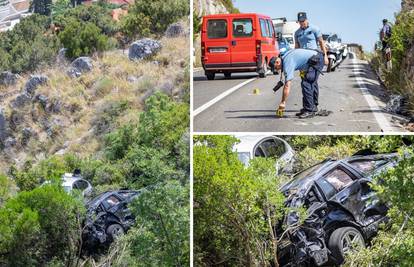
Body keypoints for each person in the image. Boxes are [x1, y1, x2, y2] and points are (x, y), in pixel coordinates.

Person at [272, 48, 325, 119]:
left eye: (276, 68)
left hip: (316, 60)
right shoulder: (284, 57)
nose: (277, 70)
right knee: (310, 83)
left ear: (277, 62)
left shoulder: (287, 63)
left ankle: (309, 110)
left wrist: (283, 102)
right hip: (315, 58)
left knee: (307, 84)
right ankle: (311, 107)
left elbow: (287, 85)